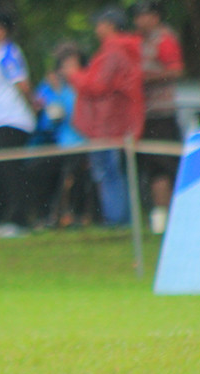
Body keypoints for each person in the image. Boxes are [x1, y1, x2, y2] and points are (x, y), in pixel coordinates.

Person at [64, 6, 144, 226]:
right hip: (115, 123)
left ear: (110, 26)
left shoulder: (114, 51)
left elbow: (98, 85)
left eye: (99, 24)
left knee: (108, 173)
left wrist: (74, 74)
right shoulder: (122, 50)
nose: (96, 28)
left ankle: (117, 220)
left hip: (107, 124)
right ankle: (121, 218)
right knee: (114, 172)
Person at [0, 7, 37, 238]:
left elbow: (22, 85)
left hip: (12, 122)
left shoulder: (9, 53)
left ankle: (19, 221)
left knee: (11, 173)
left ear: (1, 31)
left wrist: (33, 109)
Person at [133, 0, 184, 234]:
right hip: (144, 113)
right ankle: (159, 217)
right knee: (153, 166)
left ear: (155, 17)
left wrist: (145, 77)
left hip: (162, 113)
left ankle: (173, 214)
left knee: (165, 164)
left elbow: (175, 70)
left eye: (144, 15)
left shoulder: (164, 39)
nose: (139, 20)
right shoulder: (138, 41)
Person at [30, 43, 94, 228]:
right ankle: (53, 216)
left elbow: (78, 115)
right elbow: (49, 121)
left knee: (75, 178)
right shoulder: (53, 88)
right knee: (48, 174)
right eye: (65, 65)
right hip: (61, 144)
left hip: (82, 142)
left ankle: (77, 215)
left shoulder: (83, 86)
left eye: (72, 65)